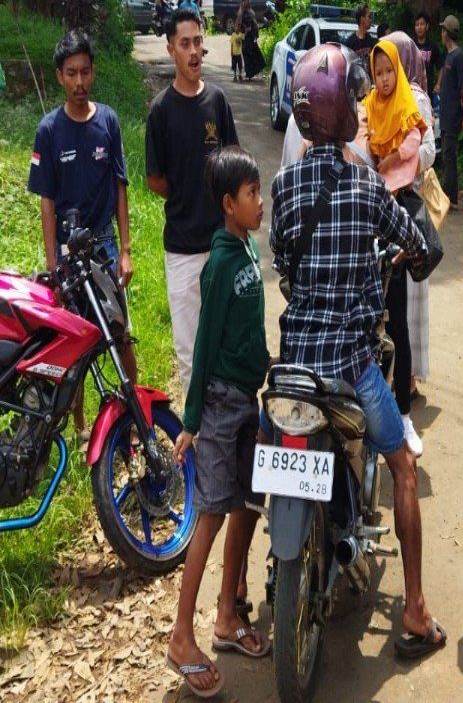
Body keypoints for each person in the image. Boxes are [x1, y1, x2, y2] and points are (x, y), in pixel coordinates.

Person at [272, 42, 444, 660]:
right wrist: (412, 254)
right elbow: (418, 244)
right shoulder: (369, 190)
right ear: (341, 109)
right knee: (403, 466)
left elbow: (284, 271)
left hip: (291, 368)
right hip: (351, 367)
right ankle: (417, 611)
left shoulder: (282, 187)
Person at [167, 147, 271, 698]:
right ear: (230, 205)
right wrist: (190, 420)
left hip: (247, 401)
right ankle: (182, 636)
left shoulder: (247, 247)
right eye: (253, 194)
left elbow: (247, 331)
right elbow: (206, 343)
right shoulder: (220, 263)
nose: (261, 202)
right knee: (209, 515)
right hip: (220, 406)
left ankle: (227, 617)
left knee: (245, 506)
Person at [28, 31, 138, 438]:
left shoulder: (107, 121)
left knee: (120, 335)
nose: (79, 82)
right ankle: (76, 425)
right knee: (73, 343)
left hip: (104, 245)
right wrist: (52, 263)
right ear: (59, 76)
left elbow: (121, 185)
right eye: (71, 73)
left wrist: (124, 250)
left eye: (85, 72)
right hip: (67, 255)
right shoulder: (49, 130)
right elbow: (46, 202)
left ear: (93, 73)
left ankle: (131, 421)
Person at [146, 8, 239, 398]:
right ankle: (196, 437)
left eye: (198, 41)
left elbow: (236, 165)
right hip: (182, 251)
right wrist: (188, 197)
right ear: (171, 50)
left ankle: (230, 424)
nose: (195, 51)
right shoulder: (161, 111)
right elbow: (156, 180)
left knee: (228, 343)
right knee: (189, 349)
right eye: (185, 44)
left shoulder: (217, 102)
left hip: (222, 246)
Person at [363, 37, 430, 456]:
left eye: (390, 71)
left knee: (399, 319)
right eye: (379, 72)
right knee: (369, 319)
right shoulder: (365, 107)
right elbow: (361, 145)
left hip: (398, 217)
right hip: (370, 217)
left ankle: (403, 413)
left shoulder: (409, 104)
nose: (385, 79)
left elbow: (417, 148)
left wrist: (389, 163)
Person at [437, 14, 463, 207]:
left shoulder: (459, 56)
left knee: (450, 154)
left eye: (442, 30)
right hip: (445, 114)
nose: (441, 34)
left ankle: (451, 198)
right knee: (447, 155)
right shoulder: (449, 56)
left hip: (454, 115)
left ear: (447, 33)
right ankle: (449, 194)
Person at [413, 11, 445, 101]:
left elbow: (441, 67)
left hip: (428, 91)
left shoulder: (433, 46)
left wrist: (438, 85)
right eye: (417, 25)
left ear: (427, 26)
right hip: (413, 90)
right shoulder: (411, 45)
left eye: (422, 24)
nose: (419, 27)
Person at [237, 0, 264, 81]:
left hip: (251, 36)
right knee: (246, 54)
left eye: (245, 1)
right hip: (244, 36)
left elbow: (253, 24)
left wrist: (254, 34)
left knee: (254, 53)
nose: (244, 2)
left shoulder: (250, 11)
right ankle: (249, 73)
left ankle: (251, 73)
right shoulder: (241, 12)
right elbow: (238, 23)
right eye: (243, 1)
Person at [344, 4, 378, 69]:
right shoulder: (350, 42)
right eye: (369, 17)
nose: (371, 20)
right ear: (362, 19)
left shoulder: (370, 40)